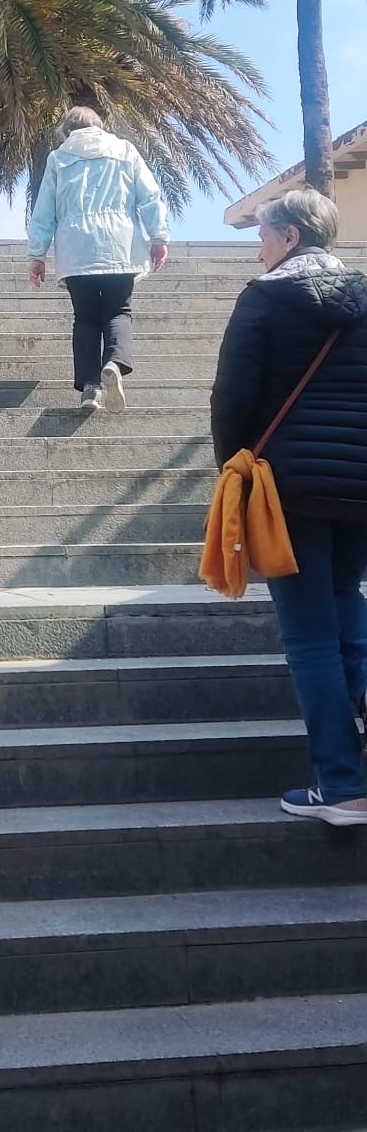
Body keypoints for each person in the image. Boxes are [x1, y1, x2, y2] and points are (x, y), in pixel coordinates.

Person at [211, 188, 367, 826]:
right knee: (348, 613)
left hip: (291, 491)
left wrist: (234, 470)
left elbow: (233, 396)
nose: (260, 249)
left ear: (292, 237)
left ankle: (343, 786)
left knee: (310, 638)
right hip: (361, 489)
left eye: (264, 236)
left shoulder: (265, 298)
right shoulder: (365, 299)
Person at [27, 107, 170, 413]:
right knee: (118, 311)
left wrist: (37, 254)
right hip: (120, 246)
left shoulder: (58, 159)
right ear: (100, 126)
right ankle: (114, 363)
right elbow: (150, 196)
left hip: (76, 249)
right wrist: (158, 237)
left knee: (86, 317)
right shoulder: (125, 150)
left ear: (67, 130)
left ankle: (91, 388)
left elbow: (44, 211)